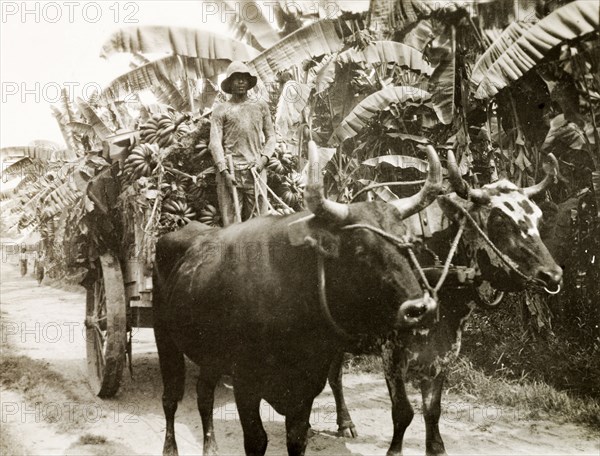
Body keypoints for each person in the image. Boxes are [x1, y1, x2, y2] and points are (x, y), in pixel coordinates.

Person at [209, 61, 276, 226]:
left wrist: (263, 160)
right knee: (231, 225)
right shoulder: (221, 110)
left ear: (249, 82)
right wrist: (224, 170)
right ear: (229, 83)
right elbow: (215, 142)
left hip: (255, 171)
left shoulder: (260, 106)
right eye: (236, 79)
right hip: (230, 173)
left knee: (259, 224)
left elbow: (271, 137)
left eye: (244, 78)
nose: (240, 82)